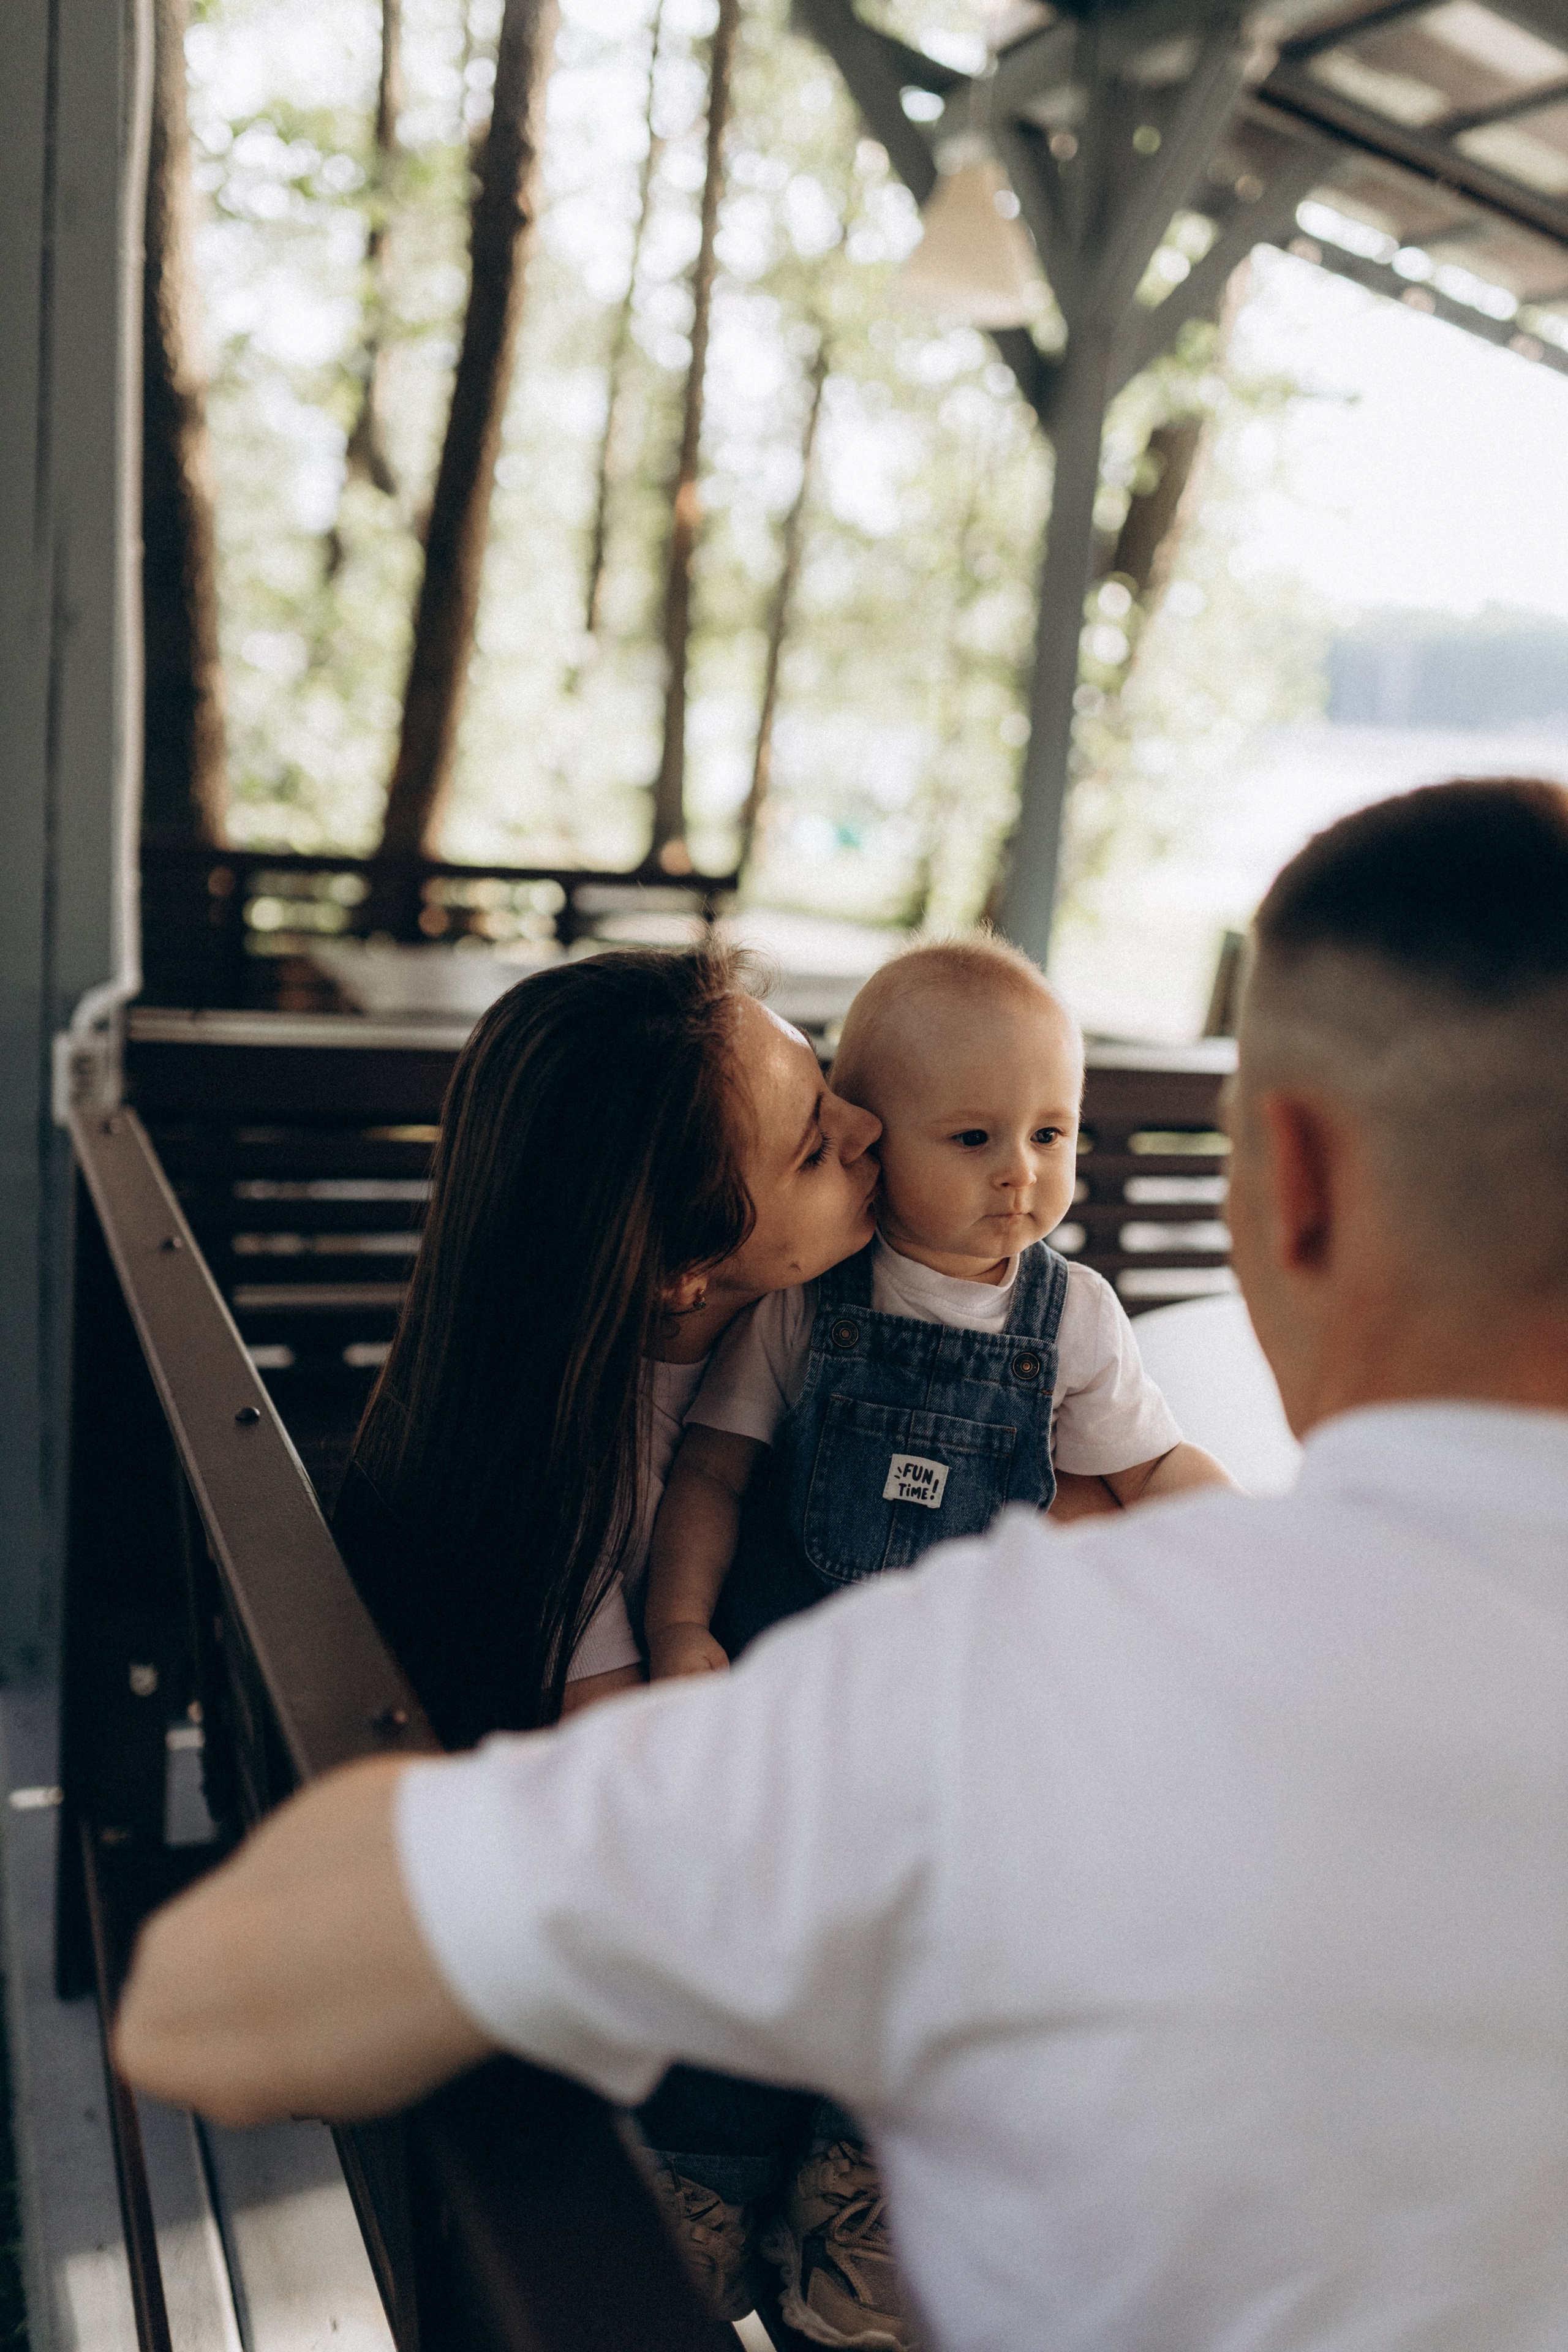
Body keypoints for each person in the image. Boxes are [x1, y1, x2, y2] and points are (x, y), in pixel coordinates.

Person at [116, 778, 1568, 2352]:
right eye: (825, 1135)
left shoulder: (976, 1678)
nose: (879, 1144)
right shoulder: (726, 1433)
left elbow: (212, 1996)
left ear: (1288, 1177)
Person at [644, 935, 1232, 1686]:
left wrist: (1252, 1547)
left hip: (977, 1679)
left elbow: (1151, 1471)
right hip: (799, 1670)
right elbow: (713, 1475)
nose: (1020, 1169)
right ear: (869, 1139)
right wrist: (679, 1623)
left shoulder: (1075, 1316)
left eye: (1049, 1134)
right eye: (973, 1138)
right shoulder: (802, 1301)